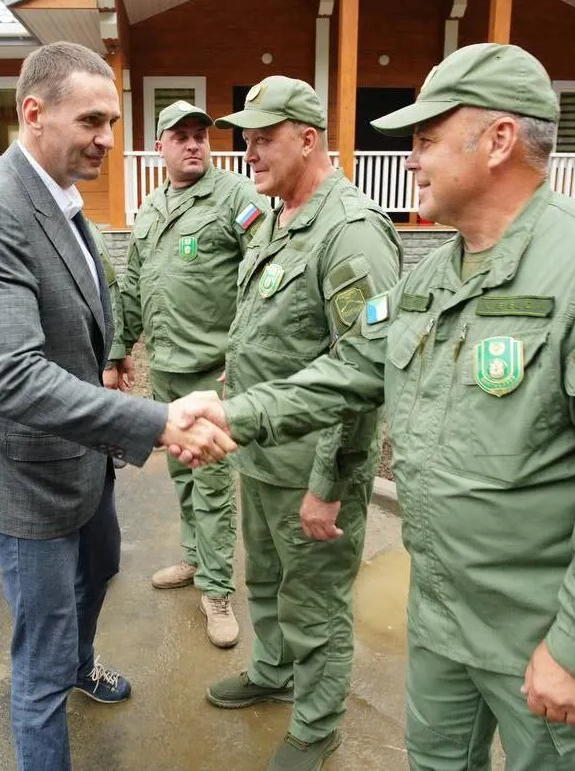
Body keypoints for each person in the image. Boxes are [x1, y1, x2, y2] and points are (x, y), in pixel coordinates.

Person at [174, 43, 575, 771]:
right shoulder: (436, 276)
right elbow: (348, 369)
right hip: (442, 615)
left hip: (541, 632)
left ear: (498, 140)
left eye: (425, 139)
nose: (411, 158)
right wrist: (235, 415)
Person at [0, 40, 234, 771]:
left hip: (80, 459)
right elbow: (10, 376)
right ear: (33, 113)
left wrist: (110, 360)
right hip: (25, 471)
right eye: (92, 120)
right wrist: (158, 422)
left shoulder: (62, 199)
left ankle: (82, 662)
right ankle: (57, 689)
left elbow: (73, 315)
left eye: (113, 121)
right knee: (38, 656)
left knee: (98, 571)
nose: (107, 138)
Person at [206, 75, 402, 770]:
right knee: (265, 580)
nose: (248, 152)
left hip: (310, 472)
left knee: (316, 604)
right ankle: (272, 670)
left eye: (263, 138)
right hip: (259, 454)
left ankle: (317, 727)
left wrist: (330, 484)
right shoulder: (274, 216)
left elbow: (365, 375)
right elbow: (272, 325)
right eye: (246, 139)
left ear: (308, 138)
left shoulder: (351, 234)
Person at [111, 99, 266, 648]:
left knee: (215, 483)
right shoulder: (151, 208)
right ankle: (197, 562)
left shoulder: (236, 198)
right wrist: (115, 353)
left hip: (213, 374)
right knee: (181, 473)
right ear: (161, 147)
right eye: (181, 136)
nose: (194, 143)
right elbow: (133, 286)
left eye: (201, 134)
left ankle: (219, 590)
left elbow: (264, 275)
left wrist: (242, 361)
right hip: (168, 371)